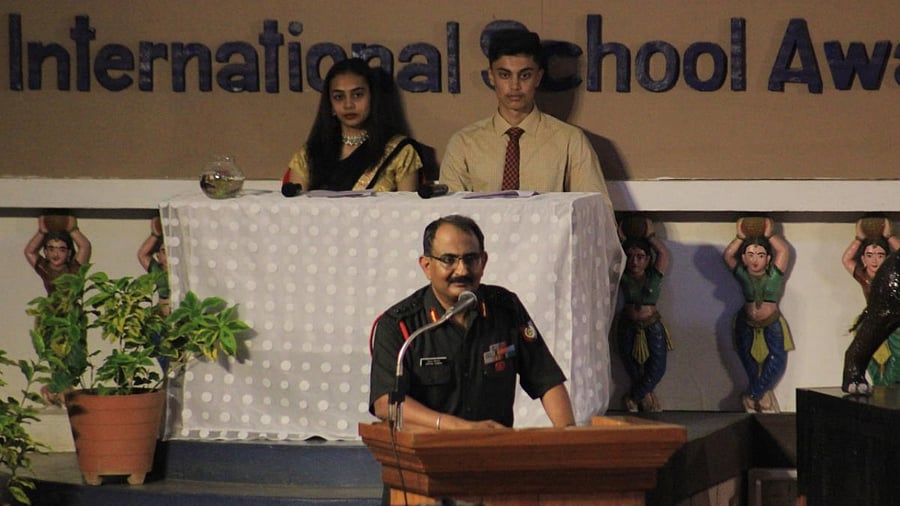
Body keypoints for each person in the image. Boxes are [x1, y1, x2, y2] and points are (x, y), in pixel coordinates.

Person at [368, 214, 575, 432]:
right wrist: (457, 427)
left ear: (483, 262)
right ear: (427, 266)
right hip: (429, 447)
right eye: (449, 260)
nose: (462, 270)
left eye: (471, 259)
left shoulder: (506, 308)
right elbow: (386, 403)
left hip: (496, 446)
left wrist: (569, 434)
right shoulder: (400, 325)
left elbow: (547, 380)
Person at [439, 29, 609, 200]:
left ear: (538, 77)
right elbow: (449, 210)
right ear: (491, 77)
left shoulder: (571, 141)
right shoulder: (464, 144)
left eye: (525, 75)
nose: (515, 86)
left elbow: (596, 210)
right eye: (504, 75)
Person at [282, 58, 422, 193]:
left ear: (373, 97)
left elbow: (407, 207)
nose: (348, 105)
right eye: (339, 97)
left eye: (357, 95)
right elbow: (295, 207)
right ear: (330, 104)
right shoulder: (309, 154)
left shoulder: (401, 153)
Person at [723, 217, 794, 413]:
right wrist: (740, 237)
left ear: (768, 259)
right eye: (750, 255)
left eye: (761, 255)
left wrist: (769, 234)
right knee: (747, 358)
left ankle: (754, 394)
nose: (755, 260)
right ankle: (759, 394)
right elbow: (728, 256)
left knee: (777, 359)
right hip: (745, 321)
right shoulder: (743, 275)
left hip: (771, 321)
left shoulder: (774, 276)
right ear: (744, 258)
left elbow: (783, 251)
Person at [617, 217, 672, 413]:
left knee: (657, 366)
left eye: (640, 257)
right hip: (628, 323)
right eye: (630, 257)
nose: (634, 261)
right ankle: (645, 396)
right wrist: (620, 239)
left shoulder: (654, 276)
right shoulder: (623, 277)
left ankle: (634, 396)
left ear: (648, 260)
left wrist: (650, 236)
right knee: (630, 364)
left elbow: (663, 253)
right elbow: (612, 256)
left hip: (651, 324)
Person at [841, 217, 900, 386]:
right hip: (876, 317)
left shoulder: (890, 273)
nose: (874, 261)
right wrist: (859, 238)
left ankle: (890, 384)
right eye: (869, 255)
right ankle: (871, 384)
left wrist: (889, 236)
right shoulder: (865, 277)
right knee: (867, 353)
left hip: (894, 321)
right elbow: (846, 260)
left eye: (880, 255)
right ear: (863, 259)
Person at [24, 215, 92, 295]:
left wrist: (73, 230)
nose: (56, 254)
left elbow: (85, 247)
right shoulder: (45, 269)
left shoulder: (73, 270)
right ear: (45, 252)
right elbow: (29, 252)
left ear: (69, 253)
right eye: (51, 249)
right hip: (50, 303)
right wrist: (41, 232)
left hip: (72, 303)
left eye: (62, 250)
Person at [137, 216, 170, 316]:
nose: (168, 256)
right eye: (164, 252)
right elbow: (142, 255)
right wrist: (155, 234)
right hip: (162, 317)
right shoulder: (158, 271)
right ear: (158, 256)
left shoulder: (184, 270)